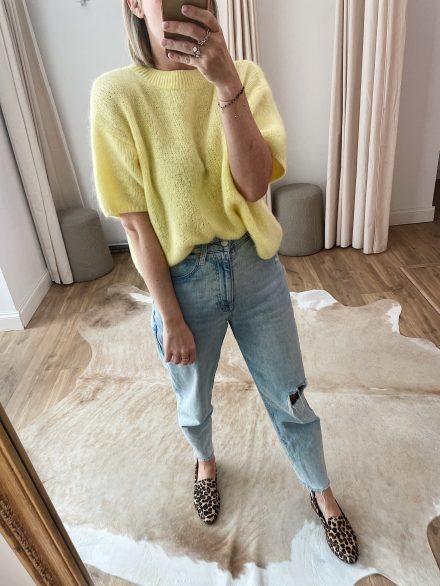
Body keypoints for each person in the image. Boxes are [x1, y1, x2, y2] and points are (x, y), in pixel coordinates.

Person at [89, 0, 359, 564]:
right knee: (192, 399)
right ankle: (205, 461)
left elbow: (255, 185)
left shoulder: (244, 76)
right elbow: (136, 226)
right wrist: (170, 316)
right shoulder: (116, 95)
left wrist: (226, 85)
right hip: (182, 282)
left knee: (290, 394)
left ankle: (321, 491)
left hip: (254, 265)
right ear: (134, 4)